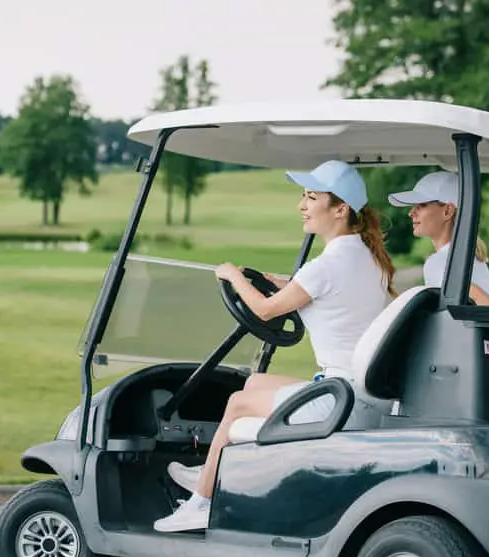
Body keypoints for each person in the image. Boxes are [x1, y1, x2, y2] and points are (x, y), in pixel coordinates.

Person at [154, 159, 397, 532]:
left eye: (311, 197)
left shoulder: (325, 266)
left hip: (339, 400)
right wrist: (282, 281)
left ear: (340, 209)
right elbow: (326, 292)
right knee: (253, 384)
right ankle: (210, 473)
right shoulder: (367, 257)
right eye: (302, 195)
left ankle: (202, 503)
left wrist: (234, 276)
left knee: (237, 403)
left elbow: (266, 311)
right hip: (357, 392)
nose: (302, 205)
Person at [388, 170, 489, 305]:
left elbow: (486, 304)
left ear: (448, 211)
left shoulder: (441, 261)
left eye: (421, 205)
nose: (411, 213)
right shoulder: (471, 257)